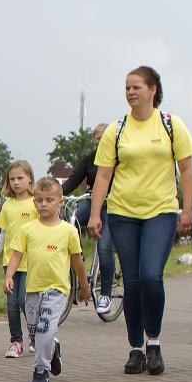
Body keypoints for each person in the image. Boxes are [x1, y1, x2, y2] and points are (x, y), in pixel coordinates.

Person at [87, 66, 192, 375]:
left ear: (152, 90)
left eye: (136, 86)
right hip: (122, 213)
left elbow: (187, 170)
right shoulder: (117, 129)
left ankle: (154, 343)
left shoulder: (171, 125)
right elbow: (103, 176)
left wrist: (188, 209)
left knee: (151, 276)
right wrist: (95, 213)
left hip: (160, 211)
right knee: (133, 282)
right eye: (127, 87)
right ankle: (136, 348)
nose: (130, 92)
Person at [5, 177, 91, 382]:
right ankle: (53, 348)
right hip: (33, 288)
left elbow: (77, 261)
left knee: (46, 327)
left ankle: (41, 371)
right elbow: (16, 255)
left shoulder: (68, 231)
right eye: (39, 200)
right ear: (34, 201)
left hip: (57, 289)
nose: (44, 204)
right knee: (35, 332)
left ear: (60, 202)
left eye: (49, 200)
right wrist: (9, 276)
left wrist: (84, 286)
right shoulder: (27, 229)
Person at [62, 123, 116, 314]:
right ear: (94, 140)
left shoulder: (119, 157)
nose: (102, 141)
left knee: (104, 248)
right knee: (72, 219)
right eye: (98, 138)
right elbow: (72, 181)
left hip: (113, 205)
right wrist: (53, 194)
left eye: (105, 137)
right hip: (92, 202)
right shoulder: (89, 159)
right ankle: (77, 254)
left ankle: (106, 294)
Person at [0, 160, 37, 358]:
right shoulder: (7, 206)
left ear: (29, 179)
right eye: (12, 179)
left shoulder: (36, 203)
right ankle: (16, 342)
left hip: (30, 261)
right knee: (12, 303)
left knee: (25, 300)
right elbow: (4, 233)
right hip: (10, 263)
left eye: (20, 178)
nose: (16, 182)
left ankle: (35, 336)